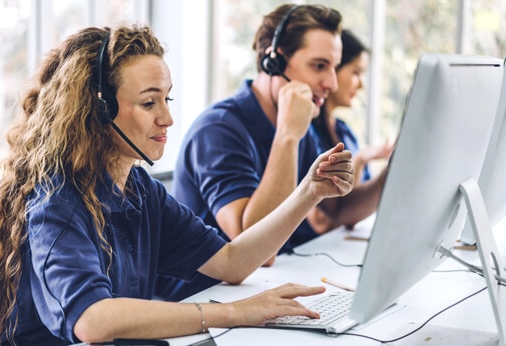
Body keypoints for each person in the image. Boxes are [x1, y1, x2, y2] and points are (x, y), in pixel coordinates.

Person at [0, 24, 355, 345]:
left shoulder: (137, 188)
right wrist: (234, 313)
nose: (167, 118)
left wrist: (309, 192)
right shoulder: (56, 200)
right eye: (150, 103)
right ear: (99, 110)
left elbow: (232, 262)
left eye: (168, 99)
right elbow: (92, 320)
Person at [156, 4, 383, 301]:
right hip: (205, 302)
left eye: (333, 66)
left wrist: (396, 170)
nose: (332, 83)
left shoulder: (299, 124)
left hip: (259, 289)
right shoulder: (219, 130)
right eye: (319, 66)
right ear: (272, 62)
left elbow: (338, 210)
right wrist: (287, 137)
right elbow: (257, 246)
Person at [308, 29, 393, 233]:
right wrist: (360, 161)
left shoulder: (345, 132)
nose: (361, 84)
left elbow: (354, 208)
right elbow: (324, 221)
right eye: (355, 72)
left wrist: (361, 160)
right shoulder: (306, 135)